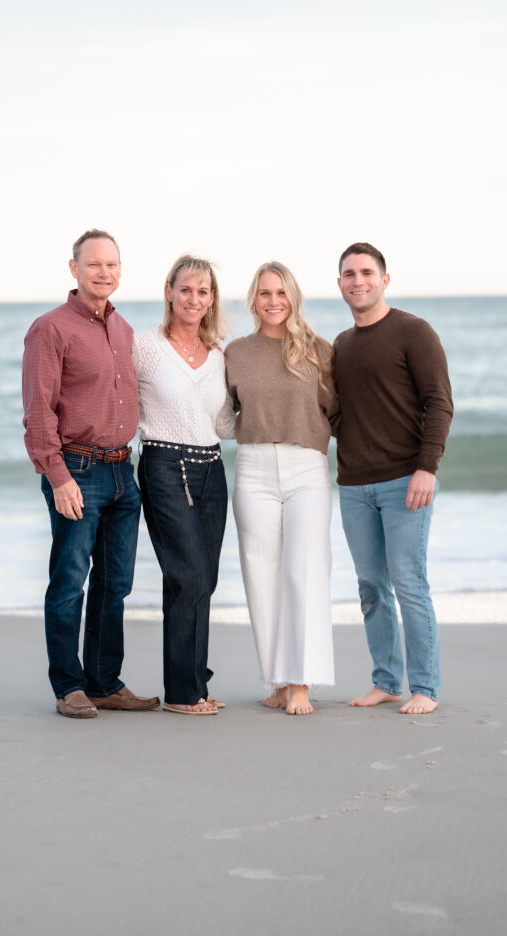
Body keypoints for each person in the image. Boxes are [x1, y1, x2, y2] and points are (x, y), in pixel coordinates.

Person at [22, 229, 159, 719]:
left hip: (124, 472)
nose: (105, 272)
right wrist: (58, 477)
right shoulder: (50, 328)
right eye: (95, 264)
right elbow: (39, 412)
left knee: (115, 584)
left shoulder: (122, 330)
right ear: (74, 268)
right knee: (69, 581)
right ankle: (69, 686)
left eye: (113, 265)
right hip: (77, 470)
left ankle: (104, 682)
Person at [333, 241, 453, 714]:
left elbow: (439, 402)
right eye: (348, 274)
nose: (357, 281)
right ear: (339, 283)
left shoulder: (413, 331)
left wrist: (427, 467)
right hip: (353, 486)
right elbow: (340, 413)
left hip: (405, 480)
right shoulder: (341, 344)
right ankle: (386, 680)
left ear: (384, 279)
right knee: (370, 587)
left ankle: (425, 687)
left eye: (366, 272)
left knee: (409, 582)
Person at [225, 262, 338, 716]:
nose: (273, 301)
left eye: (281, 293)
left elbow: (340, 413)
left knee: (305, 570)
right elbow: (220, 412)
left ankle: (301, 683)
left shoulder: (319, 351)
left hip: (307, 466)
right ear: (253, 299)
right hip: (252, 467)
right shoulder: (234, 352)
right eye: (265, 293)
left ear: (293, 298)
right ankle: (276, 679)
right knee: (261, 574)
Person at [133, 255, 234, 716]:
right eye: (186, 289)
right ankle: (180, 693)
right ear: (169, 291)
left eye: (204, 291)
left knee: (203, 580)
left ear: (212, 299)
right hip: (164, 465)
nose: (195, 299)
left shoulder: (218, 356)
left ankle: (195, 682)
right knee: (187, 574)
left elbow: (225, 422)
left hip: (212, 469)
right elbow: (114, 397)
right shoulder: (145, 347)